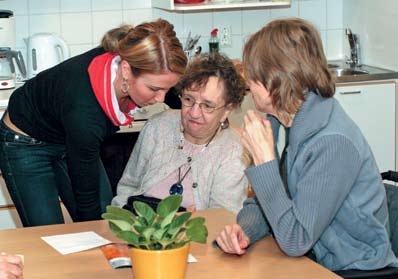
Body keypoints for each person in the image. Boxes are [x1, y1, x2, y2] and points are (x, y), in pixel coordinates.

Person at [215, 18, 398, 271]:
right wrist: (244, 230)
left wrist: (265, 162)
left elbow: (295, 239)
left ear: (275, 80)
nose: (247, 83)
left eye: (253, 75)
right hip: (312, 259)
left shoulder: (332, 142)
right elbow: (271, 202)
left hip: (351, 268)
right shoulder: (283, 120)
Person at [0, 19, 187, 227]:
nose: (161, 99)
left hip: (67, 132)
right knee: (49, 232)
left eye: (166, 89)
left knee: (108, 218)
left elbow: (169, 92)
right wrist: (98, 235)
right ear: (126, 71)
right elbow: (86, 195)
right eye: (154, 90)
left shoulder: (129, 57)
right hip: (25, 142)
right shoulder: (86, 113)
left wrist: (200, 109)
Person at [112, 53, 248, 214]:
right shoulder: (158, 126)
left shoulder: (233, 150)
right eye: (189, 100)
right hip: (136, 224)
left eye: (207, 106)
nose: (194, 113)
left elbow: (224, 218)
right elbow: (127, 188)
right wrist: (121, 222)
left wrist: (199, 221)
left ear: (227, 110)